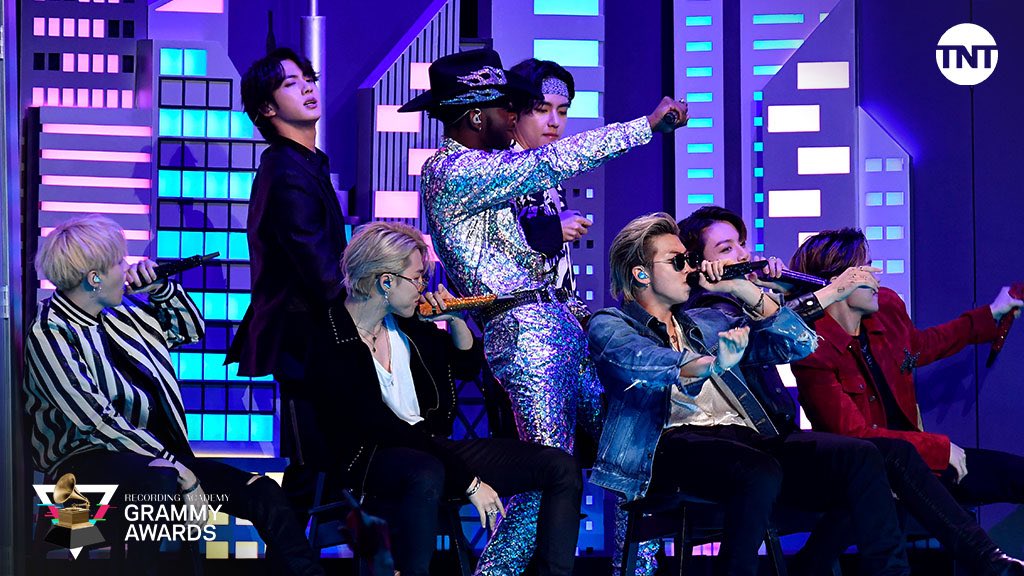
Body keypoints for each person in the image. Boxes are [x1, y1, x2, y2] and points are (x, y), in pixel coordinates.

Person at [400, 47, 686, 574]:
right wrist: (644, 127)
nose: (515, 116)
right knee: (547, 477)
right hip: (524, 333)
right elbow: (551, 161)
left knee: (630, 457)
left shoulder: (500, 172)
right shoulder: (452, 170)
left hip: (561, 324)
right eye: (508, 107)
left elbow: (536, 258)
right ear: (477, 116)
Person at [588, 213, 914, 576]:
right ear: (641, 274)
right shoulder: (611, 324)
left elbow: (796, 342)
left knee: (861, 457)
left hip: (743, 440)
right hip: (666, 448)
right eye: (677, 261)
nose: (689, 269)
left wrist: (743, 290)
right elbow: (643, 362)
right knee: (758, 471)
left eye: (690, 260)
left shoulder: (707, 322)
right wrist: (713, 364)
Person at [24, 215, 323, 575]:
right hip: (82, 468)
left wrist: (160, 290)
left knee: (264, 493)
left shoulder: (122, 313)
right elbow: (97, 421)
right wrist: (181, 471)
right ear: (94, 278)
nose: (128, 268)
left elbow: (190, 330)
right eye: (119, 262)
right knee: (160, 485)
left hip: (158, 458)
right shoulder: (50, 332)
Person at [306, 221, 582, 576]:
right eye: (417, 278)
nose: (423, 287)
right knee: (426, 472)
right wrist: (470, 483)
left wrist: (455, 320)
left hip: (430, 446)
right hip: (368, 457)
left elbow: (467, 367)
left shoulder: (405, 324)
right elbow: (381, 425)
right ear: (386, 281)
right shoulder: (329, 336)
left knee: (560, 467)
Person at [789, 228, 1024, 575]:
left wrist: (991, 314)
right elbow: (853, 434)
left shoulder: (887, 308)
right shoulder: (811, 348)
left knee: (1015, 474)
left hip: (919, 463)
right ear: (836, 283)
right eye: (865, 268)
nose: (877, 275)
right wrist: (938, 448)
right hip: (871, 472)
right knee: (864, 507)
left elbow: (921, 346)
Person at [228, 47, 347, 513]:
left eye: (308, 78)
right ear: (267, 107)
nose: (308, 88)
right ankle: (290, 547)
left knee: (325, 466)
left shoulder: (307, 162)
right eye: (290, 84)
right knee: (311, 468)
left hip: (316, 335)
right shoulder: (284, 170)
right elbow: (318, 267)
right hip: (303, 338)